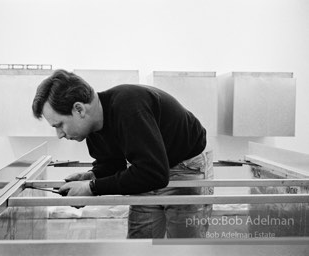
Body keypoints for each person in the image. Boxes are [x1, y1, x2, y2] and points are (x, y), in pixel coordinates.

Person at [32, 69, 213, 238]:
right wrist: (92, 175)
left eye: (59, 125)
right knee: (139, 248)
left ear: (79, 109)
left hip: (184, 167)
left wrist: (91, 188)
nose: (60, 134)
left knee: (184, 249)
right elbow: (113, 163)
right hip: (148, 170)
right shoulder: (94, 129)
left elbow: (154, 173)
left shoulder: (129, 107)